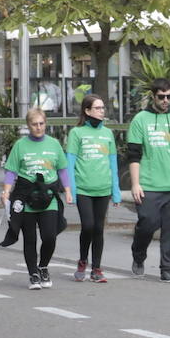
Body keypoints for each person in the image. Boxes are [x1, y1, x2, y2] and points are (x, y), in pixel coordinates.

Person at [1, 107, 73, 290]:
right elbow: (11, 171)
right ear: (28, 126)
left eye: (41, 124)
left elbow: (62, 169)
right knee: (30, 238)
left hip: (49, 196)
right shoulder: (20, 145)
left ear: (45, 124)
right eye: (34, 124)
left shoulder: (54, 144)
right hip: (26, 196)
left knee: (49, 236)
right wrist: (6, 191)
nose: (38, 127)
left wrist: (68, 190)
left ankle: (43, 266)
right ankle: (33, 273)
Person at [127, 79, 170, 284]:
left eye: (168, 97)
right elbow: (134, 155)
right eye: (161, 96)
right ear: (153, 96)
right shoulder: (140, 120)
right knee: (147, 225)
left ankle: (167, 270)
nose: (165, 100)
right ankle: (138, 255)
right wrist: (135, 184)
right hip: (149, 185)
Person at [66, 94, 121, 283]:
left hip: (103, 189)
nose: (102, 111)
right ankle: (82, 260)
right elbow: (70, 162)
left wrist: (116, 191)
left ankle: (96, 268)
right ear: (87, 111)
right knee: (88, 226)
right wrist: (70, 190)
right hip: (83, 189)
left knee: (98, 229)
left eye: (103, 108)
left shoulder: (107, 134)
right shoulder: (77, 133)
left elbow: (113, 163)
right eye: (97, 108)